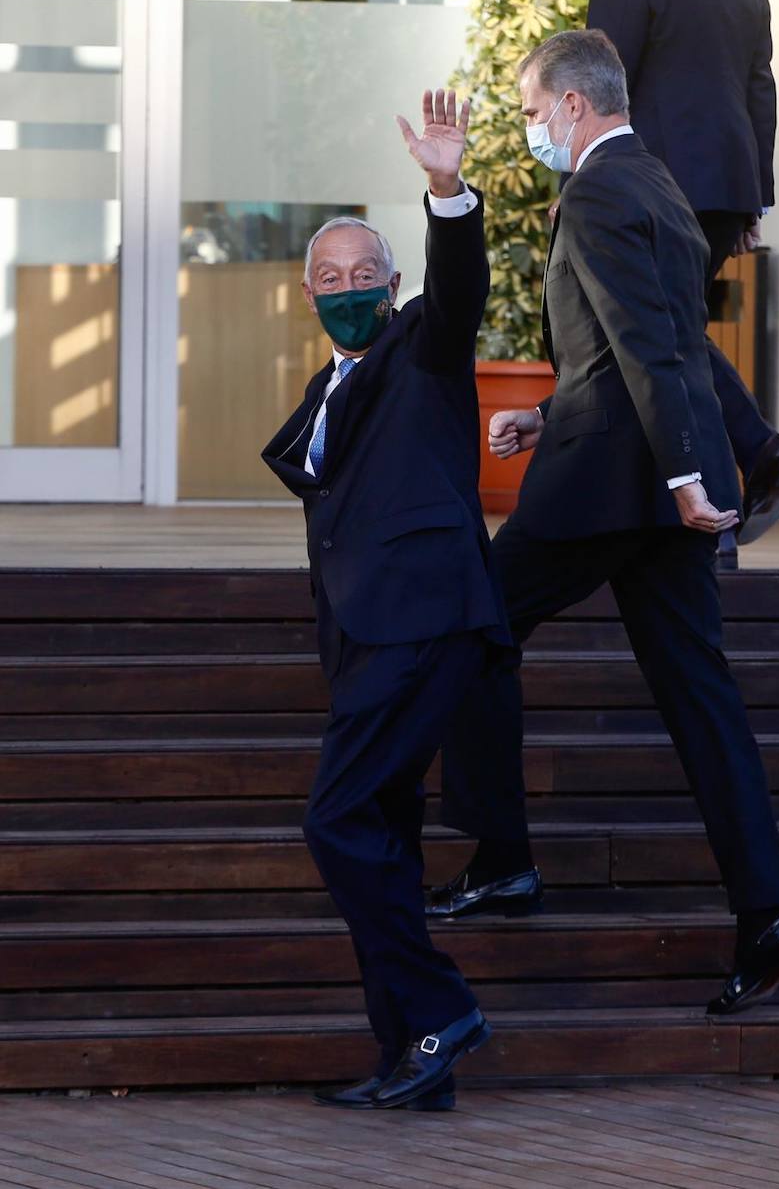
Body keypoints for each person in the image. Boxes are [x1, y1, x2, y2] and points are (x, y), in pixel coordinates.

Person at [430, 30, 779, 1017]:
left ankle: (505, 859)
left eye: (529, 112)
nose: (528, 130)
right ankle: (768, 914)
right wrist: (558, 412)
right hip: (649, 485)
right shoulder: (659, 186)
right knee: (702, 698)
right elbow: (658, 350)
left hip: (608, 488)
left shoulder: (601, 192)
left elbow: (652, 347)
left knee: (474, 627)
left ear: (569, 105)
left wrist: (692, 475)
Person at [262, 88, 507, 1111]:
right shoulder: (321, 397)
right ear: (308, 294)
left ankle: (441, 1007)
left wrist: (447, 189)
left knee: (337, 818)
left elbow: (459, 295)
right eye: (333, 279)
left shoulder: (421, 346)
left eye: (368, 274)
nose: (350, 287)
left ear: (394, 281)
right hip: (365, 639)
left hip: (424, 621)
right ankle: (412, 1054)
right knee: (384, 834)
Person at [587, 0, 779, 567]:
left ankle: (721, 509)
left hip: (645, 187)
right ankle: (751, 460)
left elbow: (599, 79)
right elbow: (758, 86)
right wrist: (754, 201)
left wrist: (582, 180)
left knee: (666, 344)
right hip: (721, 188)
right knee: (673, 335)